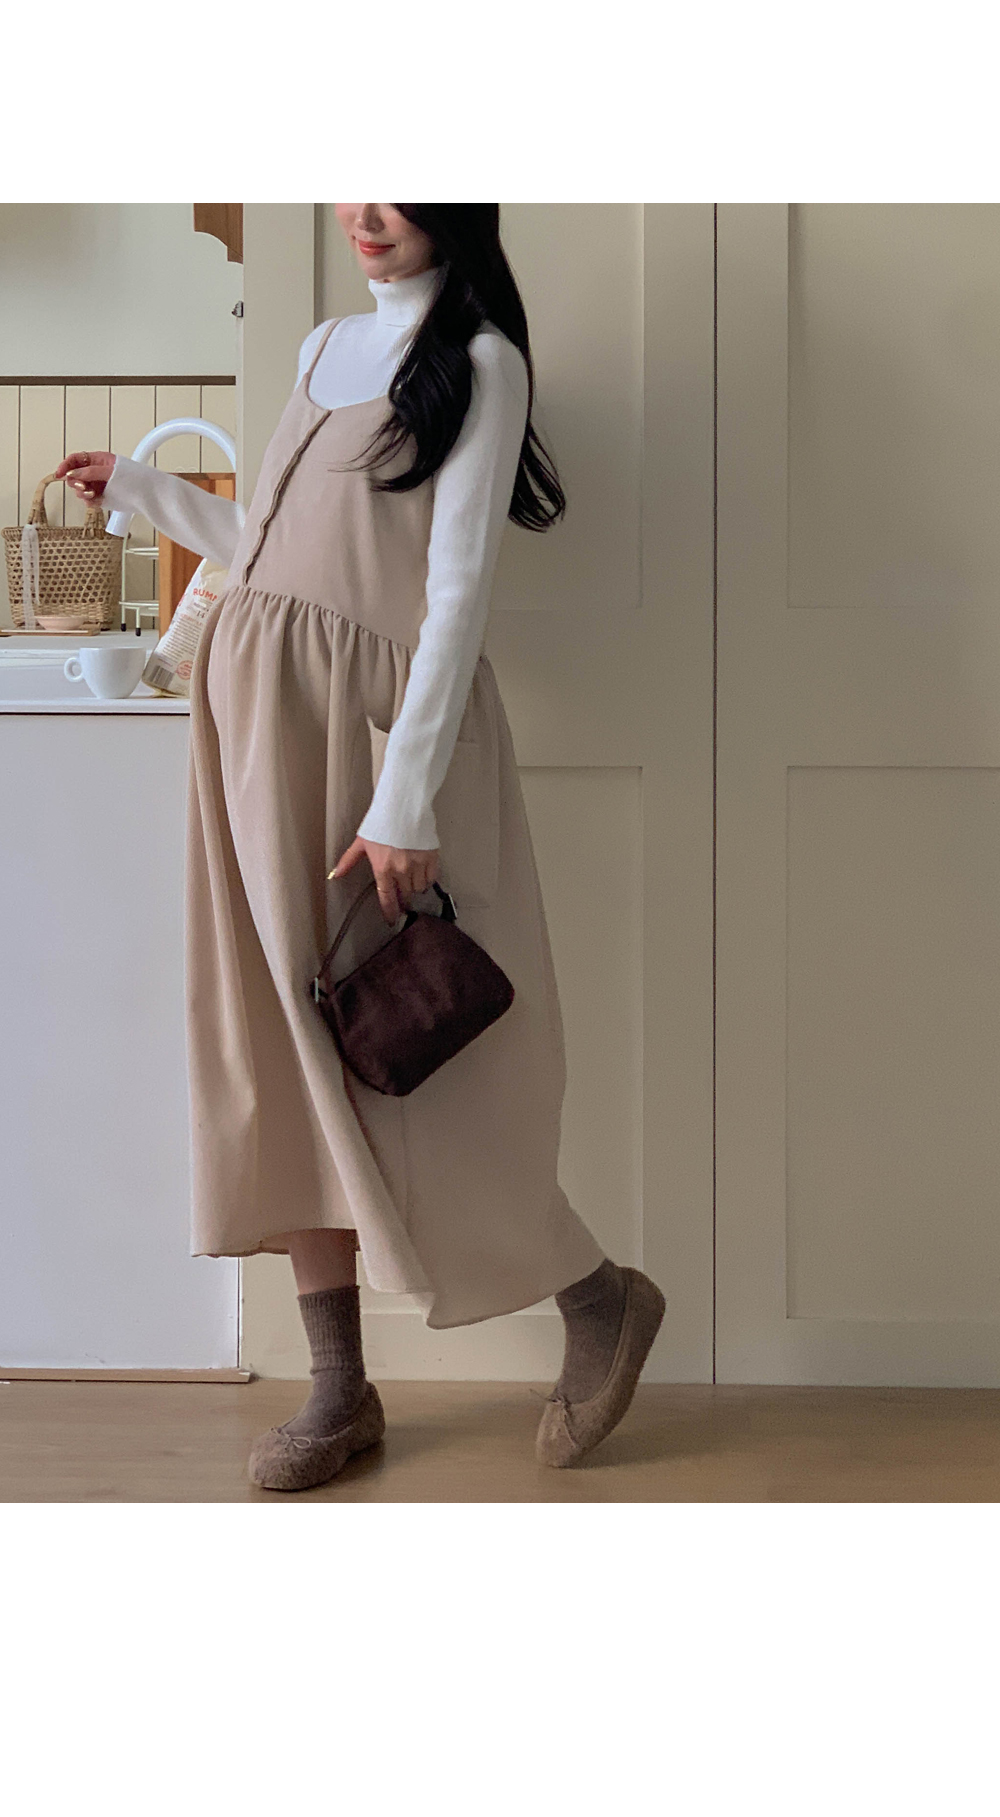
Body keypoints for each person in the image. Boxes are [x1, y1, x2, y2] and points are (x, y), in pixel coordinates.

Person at [55, 204, 665, 1493]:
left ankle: (596, 1293)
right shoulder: (323, 345)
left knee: (418, 1058)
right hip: (253, 733)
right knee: (277, 1046)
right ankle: (340, 1389)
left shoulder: (481, 362)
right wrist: (151, 495)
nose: (367, 213)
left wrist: (404, 799)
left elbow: (455, 597)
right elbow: (277, 556)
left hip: (370, 739)